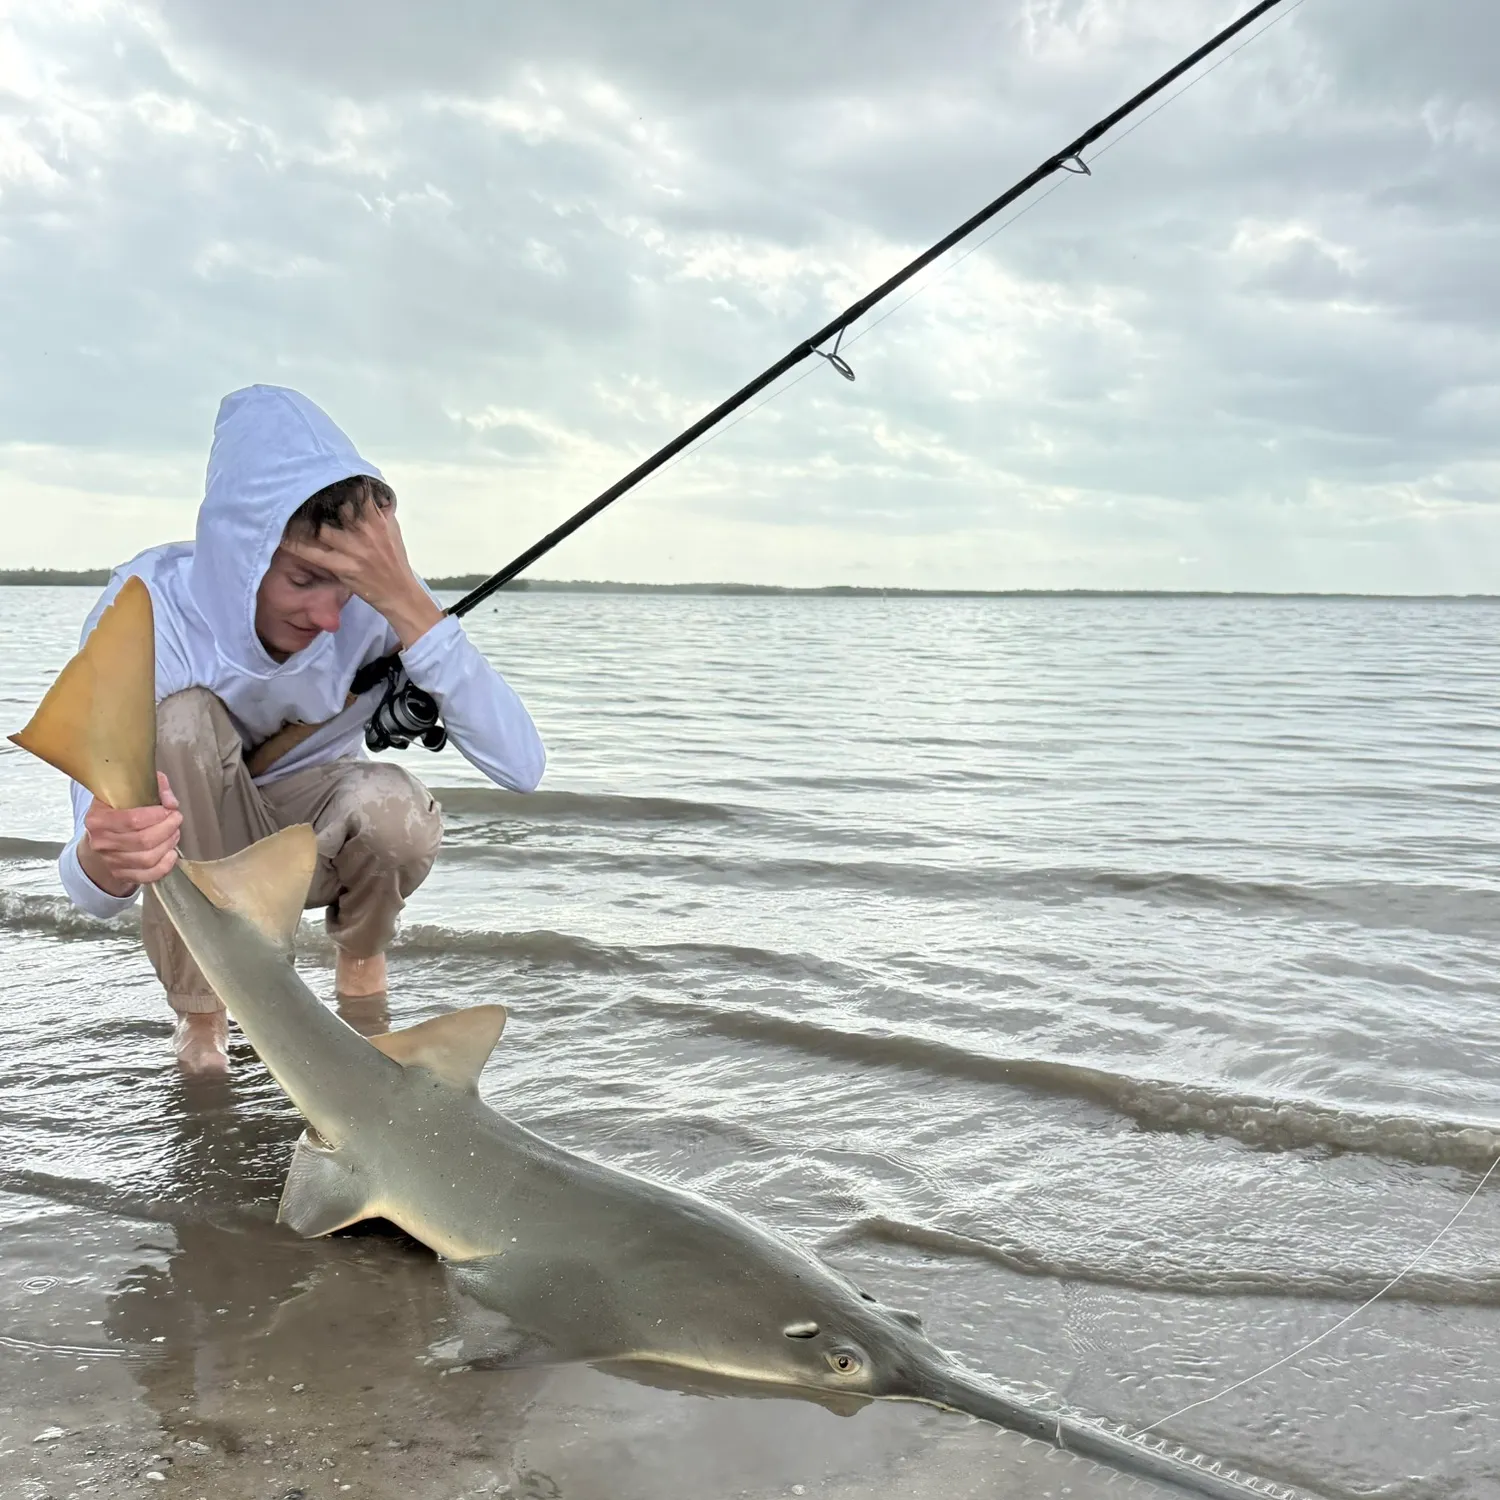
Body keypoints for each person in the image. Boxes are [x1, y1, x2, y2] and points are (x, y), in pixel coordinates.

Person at [58, 385, 545, 1075]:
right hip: (197, 844)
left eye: (345, 585)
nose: (327, 617)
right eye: (304, 579)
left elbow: (521, 767)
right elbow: (87, 891)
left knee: (394, 810)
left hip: (310, 840)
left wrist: (407, 604)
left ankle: (362, 966)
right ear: (239, 555)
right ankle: (203, 1018)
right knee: (185, 723)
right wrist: (110, 852)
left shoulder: (375, 608)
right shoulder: (147, 611)